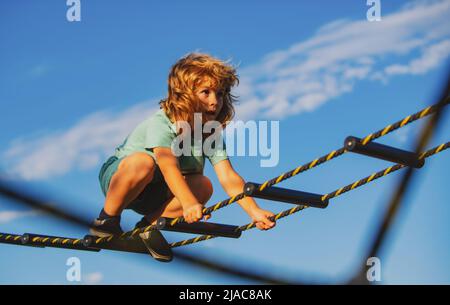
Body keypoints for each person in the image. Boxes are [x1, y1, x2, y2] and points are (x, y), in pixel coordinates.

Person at [91, 53, 276, 262]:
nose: (215, 101)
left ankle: (148, 227)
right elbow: (168, 164)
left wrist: (254, 211)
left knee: (203, 185)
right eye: (205, 92)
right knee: (143, 163)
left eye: (220, 94)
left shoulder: (209, 132)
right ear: (184, 95)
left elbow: (228, 176)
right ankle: (107, 220)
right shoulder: (163, 122)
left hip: (159, 192)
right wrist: (188, 203)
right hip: (123, 179)